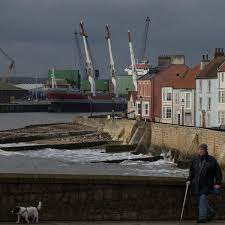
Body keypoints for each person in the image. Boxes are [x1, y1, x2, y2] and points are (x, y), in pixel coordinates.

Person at [186, 143, 222, 223]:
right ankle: (211, 212)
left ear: (206, 151)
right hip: (197, 184)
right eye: (199, 149)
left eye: (202, 150)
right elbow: (192, 172)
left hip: (207, 185)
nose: (201, 151)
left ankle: (202, 218)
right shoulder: (195, 160)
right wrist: (189, 179)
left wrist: (217, 184)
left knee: (202, 198)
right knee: (201, 201)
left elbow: (218, 173)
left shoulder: (212, 160)